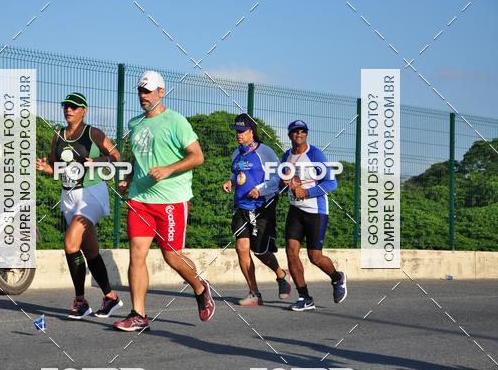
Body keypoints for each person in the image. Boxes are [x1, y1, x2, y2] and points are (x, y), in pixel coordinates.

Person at [114, 70, 215, 332]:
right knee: (136, 256)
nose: (143, 96)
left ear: (161, 92)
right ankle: (139, 314)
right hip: (140, 199)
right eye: (140, 91)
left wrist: (168, 169)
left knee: (171, 257)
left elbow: (197, 156)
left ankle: (200, 287)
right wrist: (129, 178)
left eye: (148, 91)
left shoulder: (176, 121)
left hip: (171, 200)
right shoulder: (135, 124)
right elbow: (140, 158)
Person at [36, 92, 123, 320]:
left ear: (84, 110)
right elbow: (55, 167)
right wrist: (46, 168)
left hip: (91, 193)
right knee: (90, 251)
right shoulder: (58, 135)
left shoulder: (93, 133)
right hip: (68, 196)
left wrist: (98, 161)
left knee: (70, 242)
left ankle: (80, 301)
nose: (68, 110)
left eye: (74, 107)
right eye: (66, 106)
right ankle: (111, 297)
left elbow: (116, 156)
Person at [222, 113, 292, 306]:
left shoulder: (265, 152)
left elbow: (278, 178)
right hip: (241, 206)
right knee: (241, 248)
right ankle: (254, 293)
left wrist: (260, 190)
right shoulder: (236, 153)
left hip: (262, 207)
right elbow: (237, 174)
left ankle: (281, 275)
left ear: (251, 132)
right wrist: (231, 182)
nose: (238, 134)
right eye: (237, 131)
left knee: (260, 251)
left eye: (242, 131)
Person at [281, 119, 347, 311]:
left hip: (316, 211)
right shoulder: (286, 156)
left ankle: (337, 277)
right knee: (291, 253)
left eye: (302, 131)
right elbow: (283, 179)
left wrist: (307, 192)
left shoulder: (315, 154)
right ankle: (305, 297)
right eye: (295, 131)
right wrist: (282, 182)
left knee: (315, 257)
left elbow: (331, 183)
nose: (299, 134)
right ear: (289, 135)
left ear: (307, 134)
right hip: (295, 210)